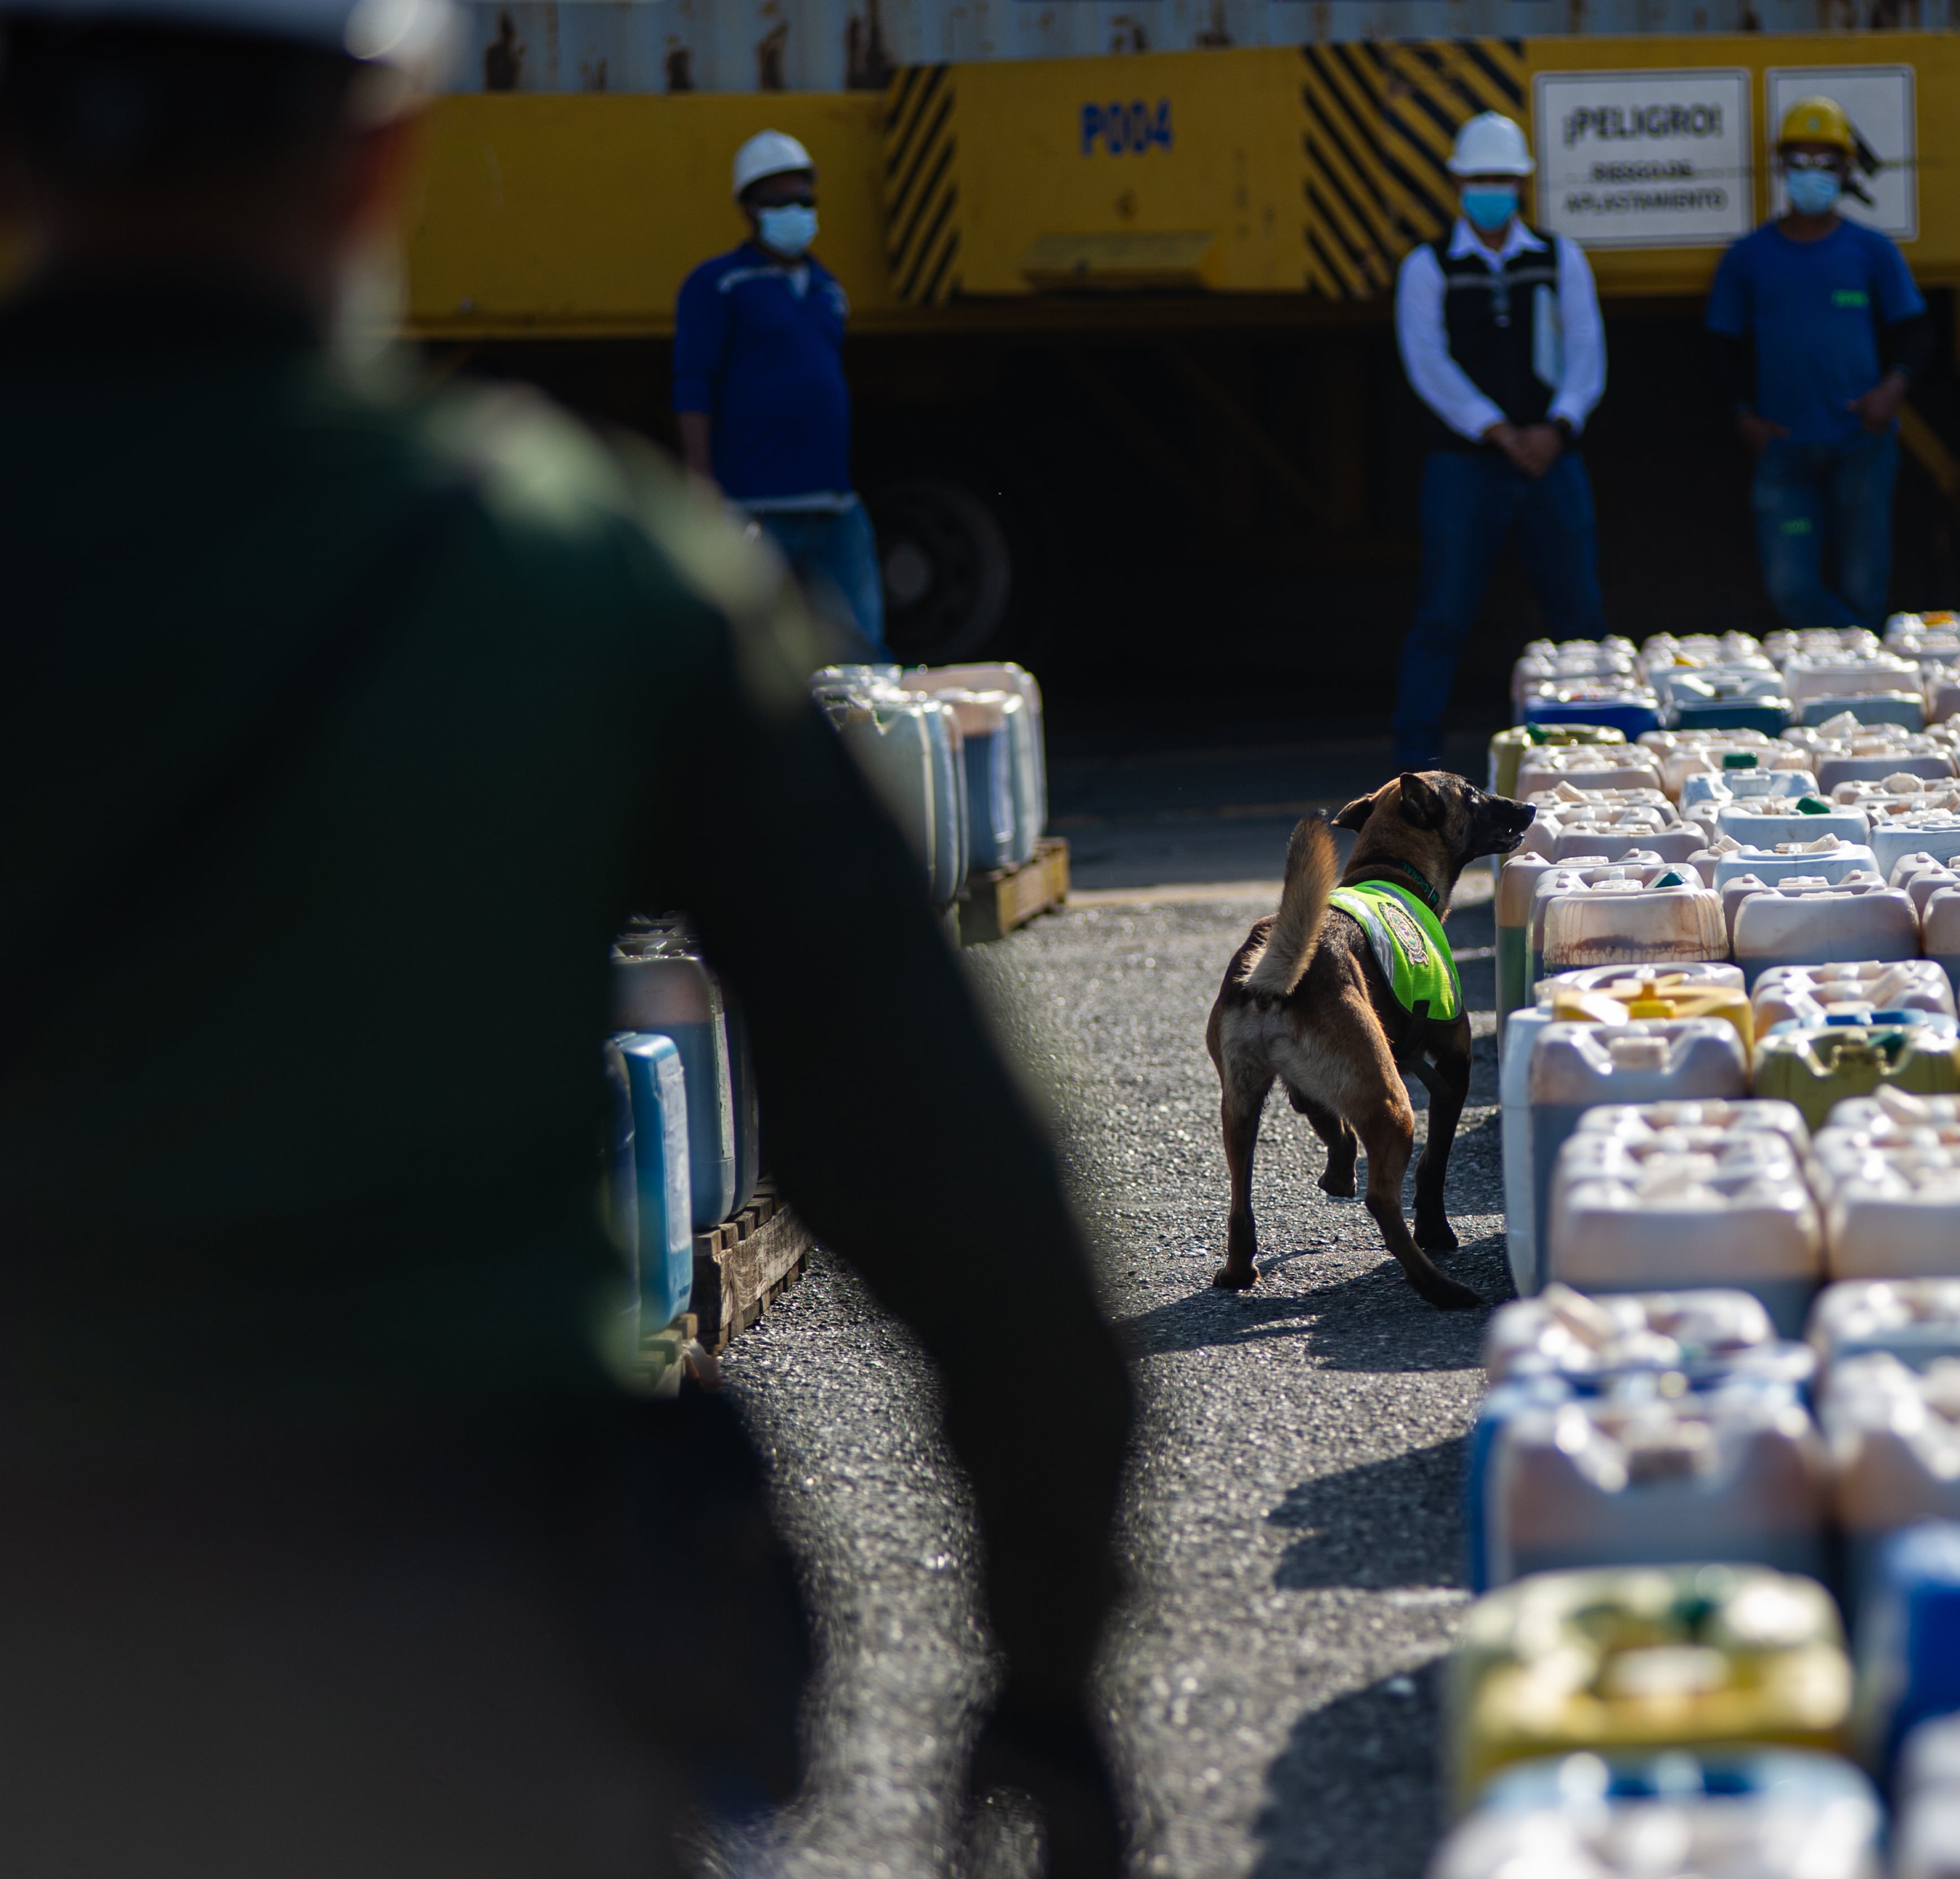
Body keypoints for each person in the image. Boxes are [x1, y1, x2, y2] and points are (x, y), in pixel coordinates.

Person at [0, 5, 1129, 1873]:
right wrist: (1049, 1684)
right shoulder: (574, 576)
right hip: (473, 1684)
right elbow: (976, 1208)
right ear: (384, 152)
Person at [1391, 110, 1608, 770]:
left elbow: (1586, 351)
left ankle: (1599, 750)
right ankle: (1416, 763)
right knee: (1442, 616)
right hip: (1465, 465)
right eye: (1479, 177)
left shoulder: (1558, 257)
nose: (1490, 188)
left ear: (1523, 184)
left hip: (1552, 461)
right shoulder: (1427, 267)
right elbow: (1427, 362)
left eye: (1503, 178)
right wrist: (1496, 428)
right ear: (1456, 180)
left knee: (1579, 618)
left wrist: (1557, 426)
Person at [1706, 94, 1933, 630]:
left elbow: (1915, 332)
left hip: (1861, 447)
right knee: (1792, 587)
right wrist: (1745, 418)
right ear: (1784, 169)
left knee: (1863, 586)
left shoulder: (1871, 251)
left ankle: (1866, 684)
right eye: (1800, 163)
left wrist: (1889, 392)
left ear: (1847, 170)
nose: (1811, 176)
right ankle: (1864, 654)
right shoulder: (1748, 258)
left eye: (1825, 164)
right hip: (1785, 452)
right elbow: (1721, 346)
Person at [675, 129, 887, 654]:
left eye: (804, 199)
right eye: (778, 201)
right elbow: (693, 386)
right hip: (756, 506)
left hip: (833, 503)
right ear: (749, 208)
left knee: (863, 649)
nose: (795, 211)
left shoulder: (827, 289)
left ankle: (870, 735)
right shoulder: (718, 284)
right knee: (748, 648)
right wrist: (703, 483)